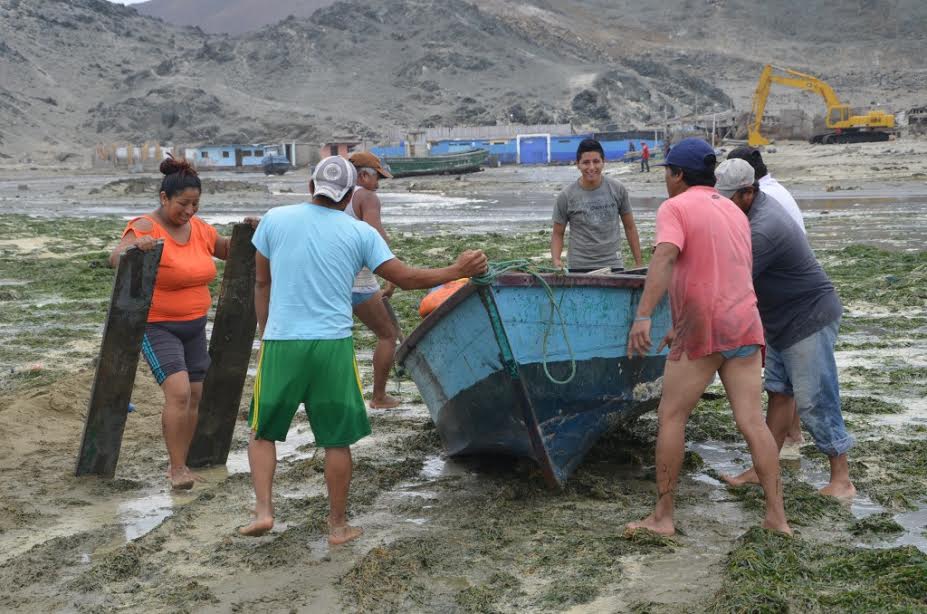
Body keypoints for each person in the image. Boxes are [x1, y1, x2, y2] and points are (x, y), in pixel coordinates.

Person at [239, 156, 488, 544]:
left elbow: (261, 282)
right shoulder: (359, 233)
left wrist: (265, 330)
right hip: (332, 346)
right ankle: (338, 526)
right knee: (336, 441)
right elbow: (404, 279)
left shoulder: (274, 219)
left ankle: (264, 511)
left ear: (311, 187)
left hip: (281, 343)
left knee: (262, 433)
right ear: (349, 195)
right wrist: (457, 270)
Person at [624, 138, 790, 537]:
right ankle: (777, 518)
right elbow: (724, 271)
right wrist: (678, 324)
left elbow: (664, 258)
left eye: (667, 171)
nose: (665, 178)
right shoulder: (733, 210)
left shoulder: (675, 207)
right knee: (753, 421)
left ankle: (663, 517)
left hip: (704, 329)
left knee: (671, 416)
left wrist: (643, 316)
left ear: (678, 175)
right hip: (745, 324)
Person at [108, 155, 256, 490]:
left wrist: (251, 233)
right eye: (182, 204)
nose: (189, 211)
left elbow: (226, 249)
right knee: (177, 394)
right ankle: (176, 470)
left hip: (194, 326)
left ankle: (184, 462)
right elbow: (115, 257)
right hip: (158, 325)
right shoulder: (146, 225)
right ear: (164, 198)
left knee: (195, 393)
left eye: (195, 204)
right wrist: (136, 246)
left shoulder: (199, 229)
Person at [714, 159, 855, 499]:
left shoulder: (764, 227)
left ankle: (842, 479)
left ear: (748, 192)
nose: (722, 206)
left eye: (727, 198)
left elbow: (735, 283)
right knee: (779, 392)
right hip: (781, 321)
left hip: (808, 318)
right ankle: (762, 469)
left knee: (816, 399)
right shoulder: (750, 214)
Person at [727, 146, 806, 452]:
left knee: (783, 377)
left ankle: (789, 436)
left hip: (782, 295)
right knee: (784, 378)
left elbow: (747, 264)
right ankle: (791, 435)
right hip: (788, 291)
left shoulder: (767, 202)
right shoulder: (776, 192)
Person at [346, 151, 400, 409]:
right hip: (359, 282)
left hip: (331, 280)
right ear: (363, 175)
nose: (378, 184)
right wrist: (391, 275)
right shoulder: (366, 197)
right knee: (387, 335)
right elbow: (374, 236)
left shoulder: (330, 197)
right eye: (377, 177)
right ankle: (379, 397)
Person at [551, 138, 643, 272]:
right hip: (579, 267)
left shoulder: (618, 189)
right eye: (586, 163)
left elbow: (630, 227)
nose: (591, 167)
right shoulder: (566, 196)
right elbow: (558, 233)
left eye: (596, 161)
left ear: (603, 162)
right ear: (577, 164)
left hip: (613, 264)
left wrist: (639, 262)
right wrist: (556, 260)